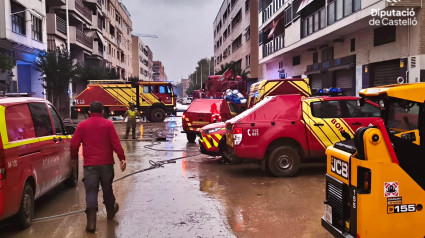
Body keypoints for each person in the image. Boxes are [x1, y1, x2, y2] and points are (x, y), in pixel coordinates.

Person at [70, 101, 127, 233]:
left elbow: (73, 144)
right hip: (106, 165)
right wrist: (121, 158)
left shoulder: (82, 125)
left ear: (90, 112)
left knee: (91, 191)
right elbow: (115, 142)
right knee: (107, 188)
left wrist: (73, 158)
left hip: (90, 166)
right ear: (102, 112)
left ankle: (91, 222)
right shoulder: (108, 125)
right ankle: (111, 211)